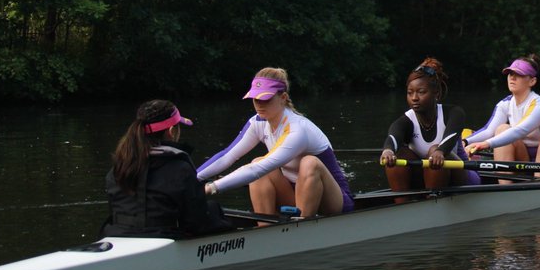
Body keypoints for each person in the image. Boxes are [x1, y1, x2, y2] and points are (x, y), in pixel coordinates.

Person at [197, 67, 355, 216]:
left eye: (266, 99)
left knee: (308, 163)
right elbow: (227, 156)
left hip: (334, 201)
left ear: (283, 98)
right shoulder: (257, 123)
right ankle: (265, 231)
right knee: (258, 161)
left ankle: (302, 227)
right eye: (255, 98)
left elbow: (256, 169)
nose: (259, 104)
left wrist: (212, 187)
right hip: (294, 197)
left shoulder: (297, 129)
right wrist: (191, 179)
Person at [103, 100, 231, 238]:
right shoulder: (180, 169)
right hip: (163, 238)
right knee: (213, 209)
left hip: (116, 234)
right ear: (171, 131)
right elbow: (197, 224)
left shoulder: (119, 167)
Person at [379, 58, 480, 191]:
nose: (414, 98)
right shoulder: (406, 120)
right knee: (398, 154)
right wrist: (388, 150)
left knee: (434, 151)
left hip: (462, 177)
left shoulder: (454, 113)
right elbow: (393, 137)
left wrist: (440, 151)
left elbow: (450, 139)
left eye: (421, 92)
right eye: (410, 93)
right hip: (426, 177)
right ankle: (401, 202)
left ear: (436, 93)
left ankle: (432, 201)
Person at [464, 55, 540, 166]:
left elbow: (519, 130)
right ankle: (505, 182)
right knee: (502, 129)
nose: (512, 78)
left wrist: (486, 144)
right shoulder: (505, 104)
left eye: (519, 74)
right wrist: (464, 142)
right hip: (524, 156)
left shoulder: (539, 105)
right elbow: (488, 130)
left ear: (532, 81)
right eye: (511, 74)